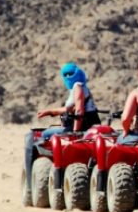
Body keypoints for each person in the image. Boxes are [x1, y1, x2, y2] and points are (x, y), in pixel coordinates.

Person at [23, 62, 100, 196]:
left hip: (80, 127)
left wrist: (75, 132)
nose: (68, 77)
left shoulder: (78, 88)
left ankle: (30, 183)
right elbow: (68, 109)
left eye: (69, 74)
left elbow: (79, 111)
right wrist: (50, 111)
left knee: (34, 136)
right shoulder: (80, 87)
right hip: (84, 125)